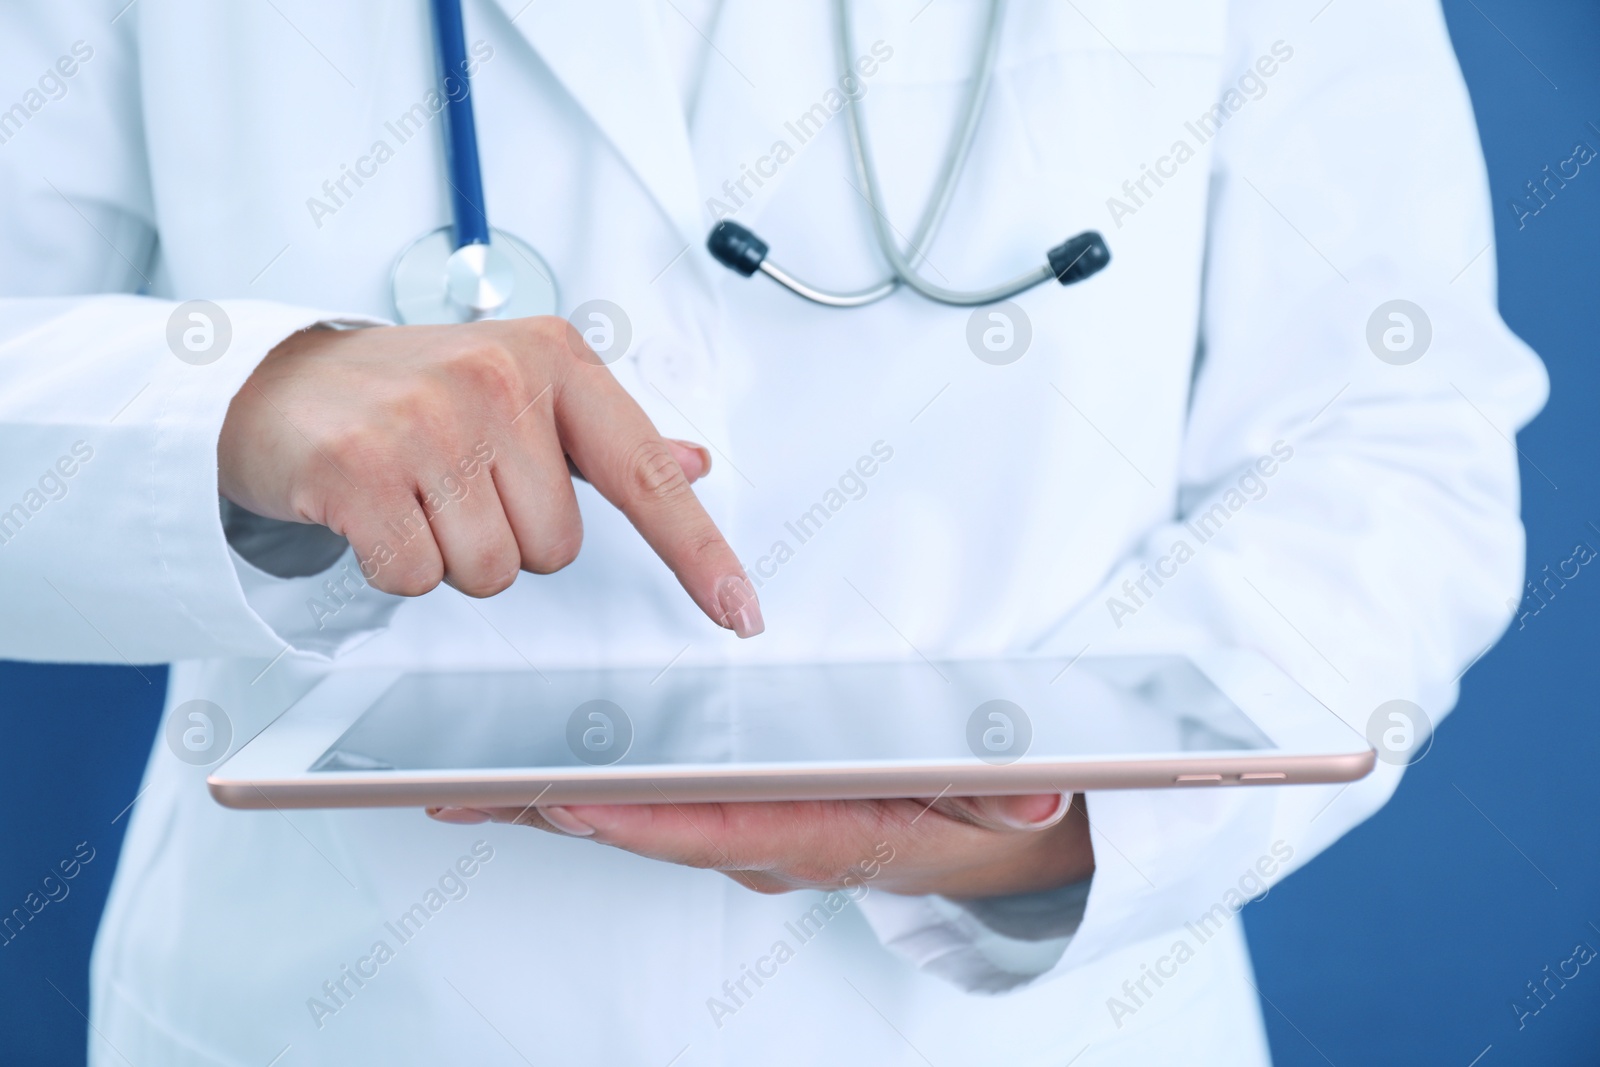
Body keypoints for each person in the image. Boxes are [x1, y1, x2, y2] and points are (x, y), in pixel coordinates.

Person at [0, 0, 1545, 1063]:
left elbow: (1393, 430)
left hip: (1014, 1021)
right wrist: (229, 404)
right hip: (336, 1009)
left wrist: (1080, 822)